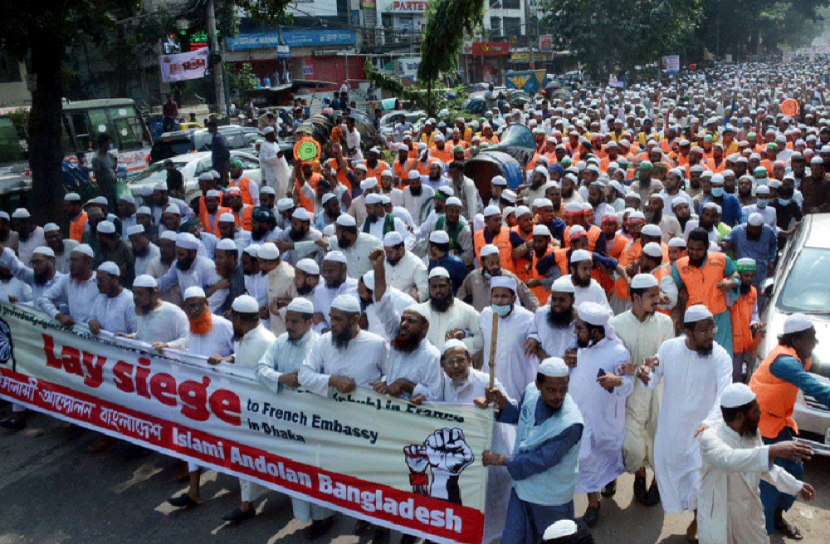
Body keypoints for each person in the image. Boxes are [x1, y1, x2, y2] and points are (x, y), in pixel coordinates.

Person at [639, 305, 733, 542]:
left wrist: (710, 422)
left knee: (701, 481)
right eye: (704, 331)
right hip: (672, 430)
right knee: (675, 476)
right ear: (687, 331)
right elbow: (653, 380)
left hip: (703, 431)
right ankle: (694, 515)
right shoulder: (669, 348)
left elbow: (725, 394)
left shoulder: (720, 356)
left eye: (712, 329)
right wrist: (645, 373)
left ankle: (699, 520)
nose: (710, 335)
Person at [255, 297, 336, 538]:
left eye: (294, 322)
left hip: (313, 421)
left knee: (316, 469)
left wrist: (304, 381)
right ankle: (305, 515)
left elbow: (329, 381)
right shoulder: (281, 341)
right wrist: (281, 378)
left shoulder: (321, 345)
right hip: (285, 421)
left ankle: (324, 517)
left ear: (309, 322)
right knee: (294, 468)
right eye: (287, 321)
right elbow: (261, 368)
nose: (289, 326)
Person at [697, 383, 816, 544]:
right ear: (740, 416)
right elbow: (728, 460)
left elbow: (765, 468)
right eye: (755, 411)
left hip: (749, 516)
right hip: (718, 516)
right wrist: (773, 450)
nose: (760, 413)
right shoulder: (710, 438)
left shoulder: (752, 435)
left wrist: (796, 485)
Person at [482, 358, 584, 544]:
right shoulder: (530, 392)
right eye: (551, 390)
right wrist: (502, 403)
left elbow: (539, 460)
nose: (558, 396)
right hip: (522, 489)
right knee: (511, 540)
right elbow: (522, 417)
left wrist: (501, 460)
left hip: (550, 499)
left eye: (563, 389)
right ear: (538, 385)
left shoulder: (571, 424)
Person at [749, 313, 830, 540]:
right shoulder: (784, 361)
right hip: (765, 429)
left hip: (779, 425)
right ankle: (764, 531)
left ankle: (776, 518)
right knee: (771, 484)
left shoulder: (796, 356)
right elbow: (815, 388)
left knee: (794, 473)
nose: (816, 342)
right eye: (811, 337)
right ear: (796, 339)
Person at [157, 286, 234, 508]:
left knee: (231, 443)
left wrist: (225, 359)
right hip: (196, 396)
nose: (194, 310)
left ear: (206, 304)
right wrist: (168, 347)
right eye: (189, 307)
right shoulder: (190, 326)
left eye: (198, 305)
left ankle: (246, 498)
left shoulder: (223, 325)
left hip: (224, 396)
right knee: (192, 438)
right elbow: (185, 344)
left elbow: (241, 351)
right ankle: (193, 491)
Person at [207, 295, 277, 524]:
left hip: (261, 412)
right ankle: (246, 504)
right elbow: (246, 358)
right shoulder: (249, 336)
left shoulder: (266, 340)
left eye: (232, 317)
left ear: (238, 318)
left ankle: (251, 502)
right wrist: (229, 359)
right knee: (245, 456)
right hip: (244, 409)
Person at [611, 274, 674, 506]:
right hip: (630, 395)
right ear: (636, 298)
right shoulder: (616, 324)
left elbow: (668, 358)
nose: (658, 299)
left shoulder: (665, 323)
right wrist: (629, 369)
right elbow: (613, 360)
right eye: (652, 296)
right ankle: (639, 474)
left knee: (659, 439)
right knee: (633, 444)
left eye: (658, 294)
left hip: (658, 393)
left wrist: (654, 365)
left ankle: (657, 481)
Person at [569, 301, 633, 526]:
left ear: (595, 331)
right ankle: (593, 502)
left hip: (606, 419)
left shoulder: (618, 352)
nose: (575, 332)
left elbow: (629, 384)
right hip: (580, 417)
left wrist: (618, 381)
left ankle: (609, 479)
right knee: (585, 458)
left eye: (580, 328)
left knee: (605, 455)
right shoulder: (579, 347)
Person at [671, 227, 740, 357]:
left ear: (707, 246)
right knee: (694, 357)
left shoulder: (721, 259)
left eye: (699, 249)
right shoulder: (679, 265)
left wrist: (731, 282)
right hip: (694, 320)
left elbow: (736, 275)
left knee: (721, 356)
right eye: (691, 248)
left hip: (719, 318)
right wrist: (681, 291)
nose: (694, 253)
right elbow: (676, 290)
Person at [480, 276, 537, 401]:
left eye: (504, 297)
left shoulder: (527, 318)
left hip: (517, 379)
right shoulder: (485, 315)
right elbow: (477, 335)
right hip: (492, 379)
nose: (499, 301)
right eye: (496, 296)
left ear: (514, 298)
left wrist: (534, 338)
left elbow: (537, 335)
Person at [38, 244, 99, 327]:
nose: (71, 264)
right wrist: (59, 316)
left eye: (75, 260)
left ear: (88, 262)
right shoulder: (66, 279)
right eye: (70, 260)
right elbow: (43, 299)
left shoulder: (99, 281)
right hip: (74, 331)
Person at [88, 261, 136, 336]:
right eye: (97, 280)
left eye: (102, 280)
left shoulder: (129, 299)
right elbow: (92, 317)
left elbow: (135, 332)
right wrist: (92, 322)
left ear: (115, 279)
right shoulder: (100, 297)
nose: (98, 283)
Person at [92, 134, 118, 208]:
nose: (109, 145)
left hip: (114, 185)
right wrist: (103, 191)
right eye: (108, 143)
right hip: (106, 188)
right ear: (103, 144)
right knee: (111, 207)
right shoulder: (96, 158)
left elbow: (113, 168)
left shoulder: (110, 155)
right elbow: (97, 176)